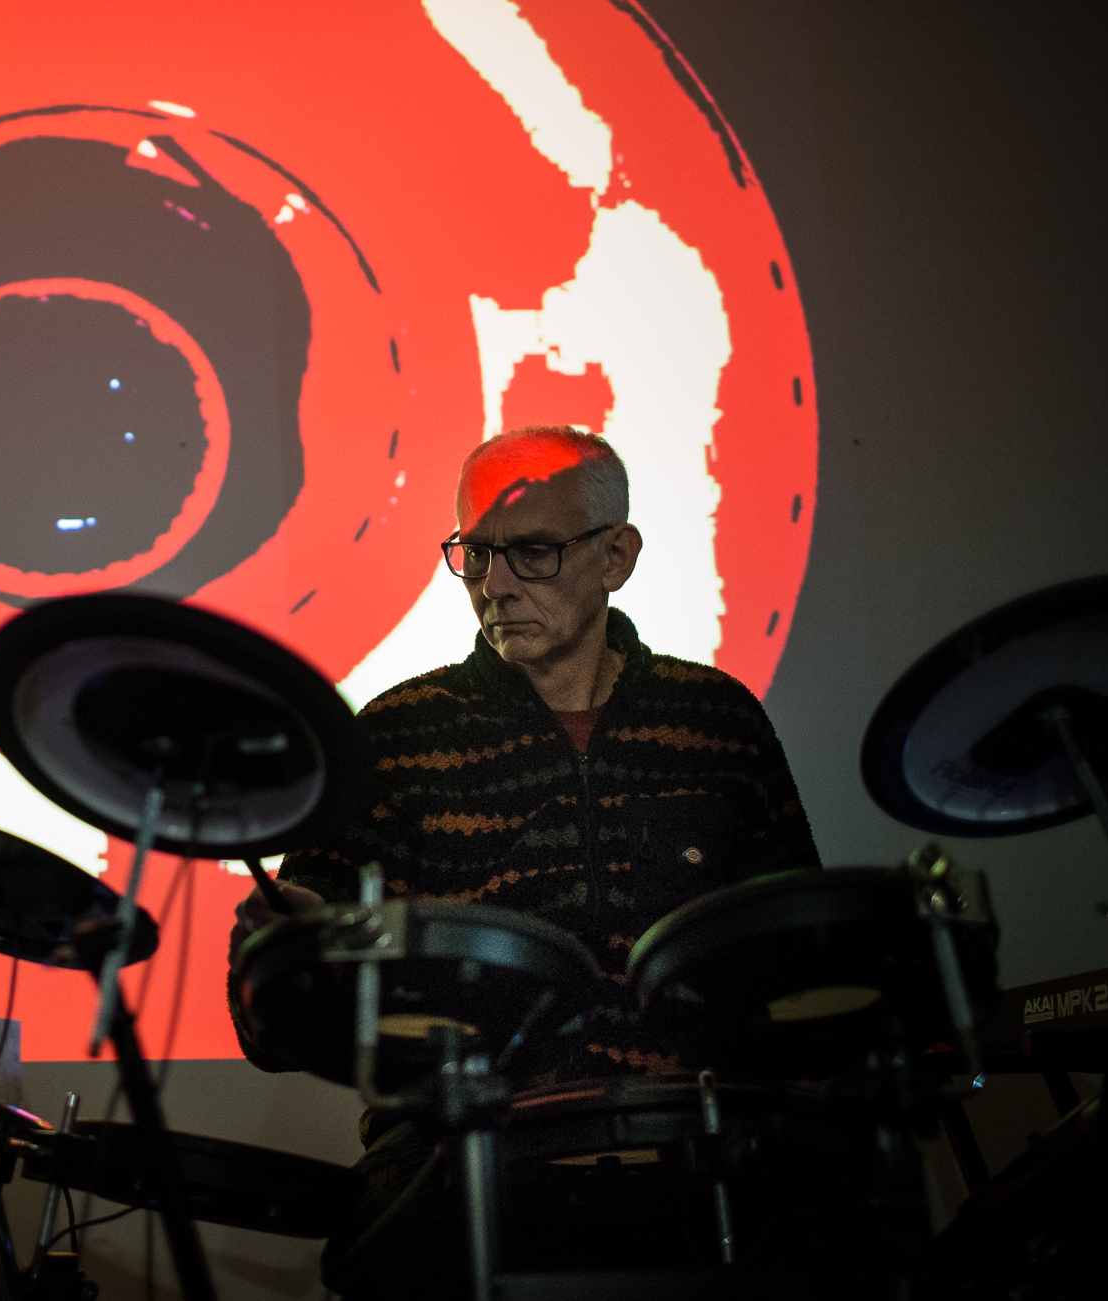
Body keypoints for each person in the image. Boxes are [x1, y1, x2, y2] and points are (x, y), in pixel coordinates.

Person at [227, 426, 819, 1296]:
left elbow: (803, 963)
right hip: (461, 1156)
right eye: (476, 553)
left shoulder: (716, 720)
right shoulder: (394, 737)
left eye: (532, 552)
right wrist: (293, 950)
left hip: (703, 1149)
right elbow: (268, 1029)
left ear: (616, 557)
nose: (494, 584)